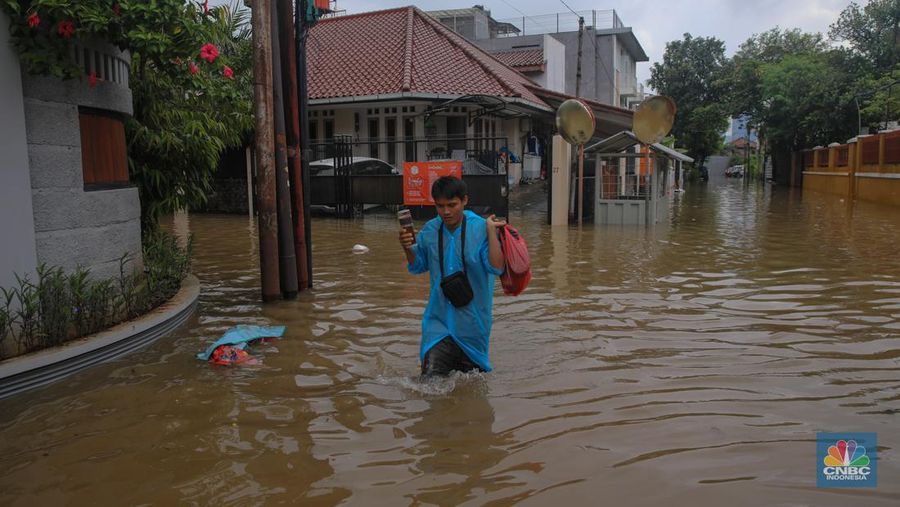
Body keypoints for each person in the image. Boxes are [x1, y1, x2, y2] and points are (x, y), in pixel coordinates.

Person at [399, 176, 507, 376]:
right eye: (440, 206)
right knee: (430, 385)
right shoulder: (431, 229)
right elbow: (418, 266)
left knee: (473, 393)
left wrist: (492, 233)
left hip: (472, 325)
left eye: (452, 205)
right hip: (437, 323)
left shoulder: (481, 228)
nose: (446, 212)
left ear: (464, 201)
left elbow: (496, 268)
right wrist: (407, 247)